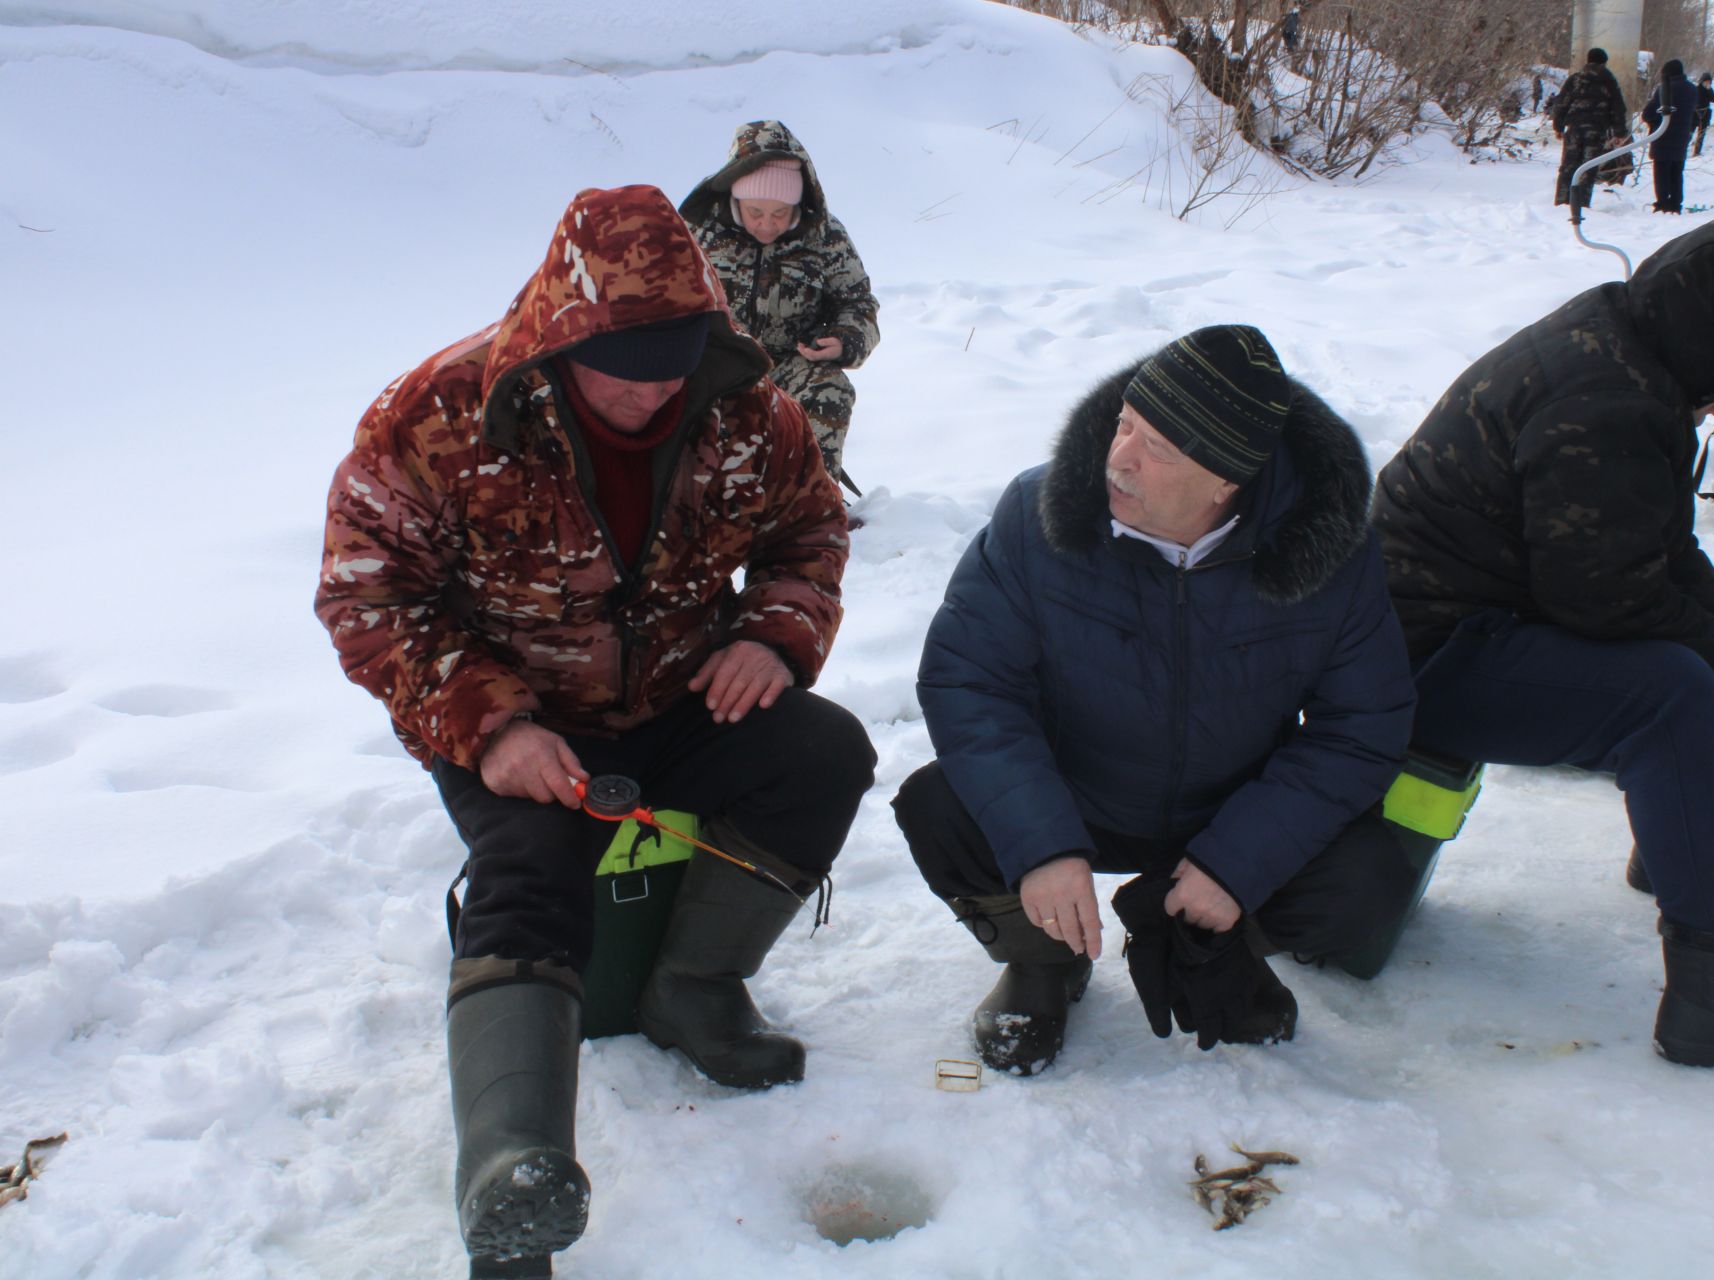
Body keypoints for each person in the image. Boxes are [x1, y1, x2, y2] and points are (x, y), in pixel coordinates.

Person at [315, 184, 876, 1274]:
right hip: (522, 713)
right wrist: (489, 724)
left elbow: (810, 529)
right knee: (529, 864)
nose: (651, 387)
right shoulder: (437, 412)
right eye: (623, 363)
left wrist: (772, 632)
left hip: (679, 692)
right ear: (559, 335)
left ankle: (693, 988)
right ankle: (512, 1170)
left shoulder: (750, 406)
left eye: (674, 358)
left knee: (823, 754)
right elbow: (366, 597)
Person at [1372, 215, 1714, 1074]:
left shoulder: (1624, 344)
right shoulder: (1608, 399)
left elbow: (1651, 541)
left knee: (1690, 661)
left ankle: (1693, 849)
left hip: (1475, 619)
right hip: (1421, 662)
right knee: (1666, 689)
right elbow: (1602, 596)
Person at [893, 325, 1417, 1075]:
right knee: (942, 808)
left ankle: (1204, 938)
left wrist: (1238, 862)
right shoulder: (1038, 516)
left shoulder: (1327, 549)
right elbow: (971, 679)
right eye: (1126, 425)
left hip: (1227, 807)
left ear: (1227, 482)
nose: (1120, 458)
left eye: (1158, 448)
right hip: (1080, 798)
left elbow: (1361, 728)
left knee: (1365, 879)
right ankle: (1044, 962)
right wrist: (1042, 843)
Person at [681, 120, 880, 490]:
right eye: (756, 212)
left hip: (787, 366)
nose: (767, 226)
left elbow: (857, 302)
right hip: (710, 366)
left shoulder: (824, 235)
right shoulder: (697, 232)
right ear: (734, 197)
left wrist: (845, 339)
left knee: (830, 389)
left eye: (780, 214)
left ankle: (812, 503)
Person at [1552, 48, 1630, 223]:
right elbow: (1619, 108)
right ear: (1604, 62)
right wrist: (1619, 132)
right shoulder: (1609, 81)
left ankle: (1561, 202)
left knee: (1568, 166)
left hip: (1574, 128)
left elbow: (1561, 103)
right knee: (1588, 167)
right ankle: (1581, 204)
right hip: (1597, 130)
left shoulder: (1576, 79)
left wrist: (1558, 126)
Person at [1643, 58, 1700, 213]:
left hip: (1663, 136)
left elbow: (1648, 114)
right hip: (1681, 137)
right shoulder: (1692, 90)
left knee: (1661, 171)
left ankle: (1662, 203)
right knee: (1677, 171)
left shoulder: (1664, 89)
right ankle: (1675, 204)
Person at [1692, 71, 1714, 158]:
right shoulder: (1696, 88)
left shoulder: (1709, 90)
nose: (1707, 83)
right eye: (1706, 81)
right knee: (1690, 131)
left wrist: (1709, 90)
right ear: (1702, 81)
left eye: (1709, 81)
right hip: (1695, 113)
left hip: (1705, 113)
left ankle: (1697, 151)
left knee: (1702, 133)